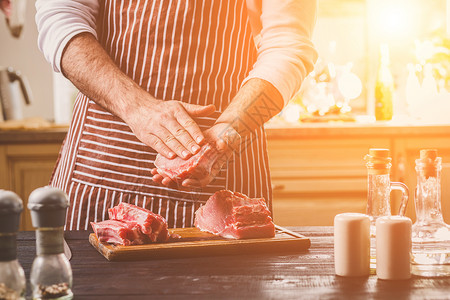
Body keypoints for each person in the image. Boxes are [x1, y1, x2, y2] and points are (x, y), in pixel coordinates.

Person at [35, 0, 317, 230]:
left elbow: (288, 45)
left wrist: (229, 131)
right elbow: (60, 16)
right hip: (102, 166)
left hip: (222, 162)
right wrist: (137, 108)